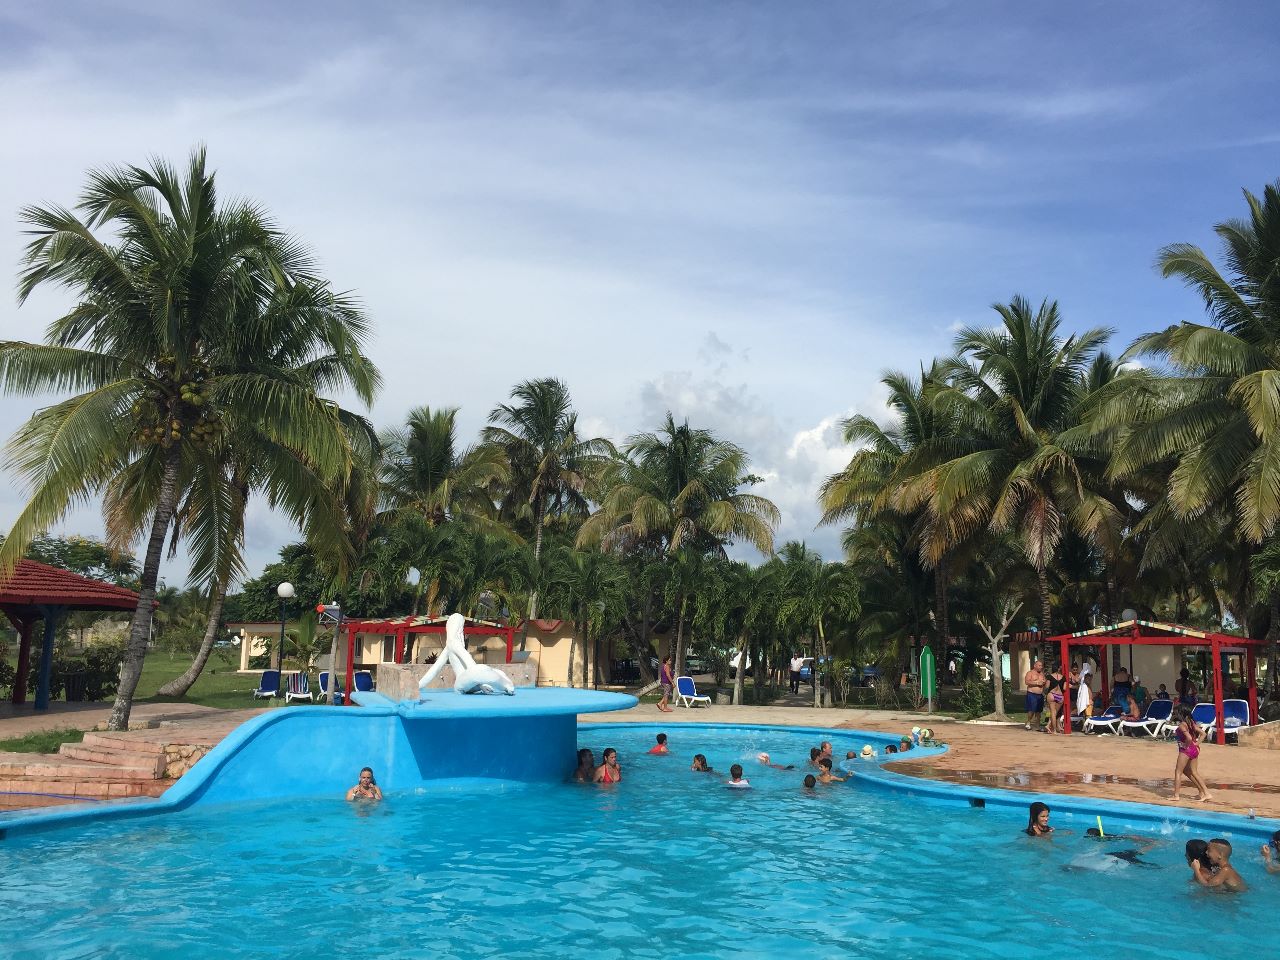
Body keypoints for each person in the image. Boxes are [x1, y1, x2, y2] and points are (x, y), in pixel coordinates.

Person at [1171, 706, 1211, 802]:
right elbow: (1203, 734)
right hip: (1195, 749)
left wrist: (1185, 745)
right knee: (1191, 772)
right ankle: (1204, 792)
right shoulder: (1191, 723)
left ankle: (1176, 796)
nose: (1175, 714)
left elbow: (1188, 738)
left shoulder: (1182, 725)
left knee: (1178, 772)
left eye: (1176, 713)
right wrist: (1196, 744)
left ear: (1180, 714)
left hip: (1186, 750)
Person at [1024, 659, 1047, 731]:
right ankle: (1028, 722)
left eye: (1041, 666)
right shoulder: (1030, 673)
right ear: (1035, 666)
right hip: (1032, 693)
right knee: (1031, 709)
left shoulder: (1042, 674)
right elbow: (1027, 682)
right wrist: (1037, 683)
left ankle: (1037, 726)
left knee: (1038, 711)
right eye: (1039, 665)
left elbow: (1044, 683)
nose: (1041, 667)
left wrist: (1044, 682)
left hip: (1040, 694)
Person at [1045, 665, 1065, 734]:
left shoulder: (1049, 676)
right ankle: (1049, 726)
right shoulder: (1063, 677)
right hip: (1060, 696)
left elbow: (1047, 686)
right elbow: (1064, 688)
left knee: (1053, 712)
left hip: (1052, 694)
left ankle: (1054, 730)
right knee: (1055, 712)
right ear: (1059, 669)